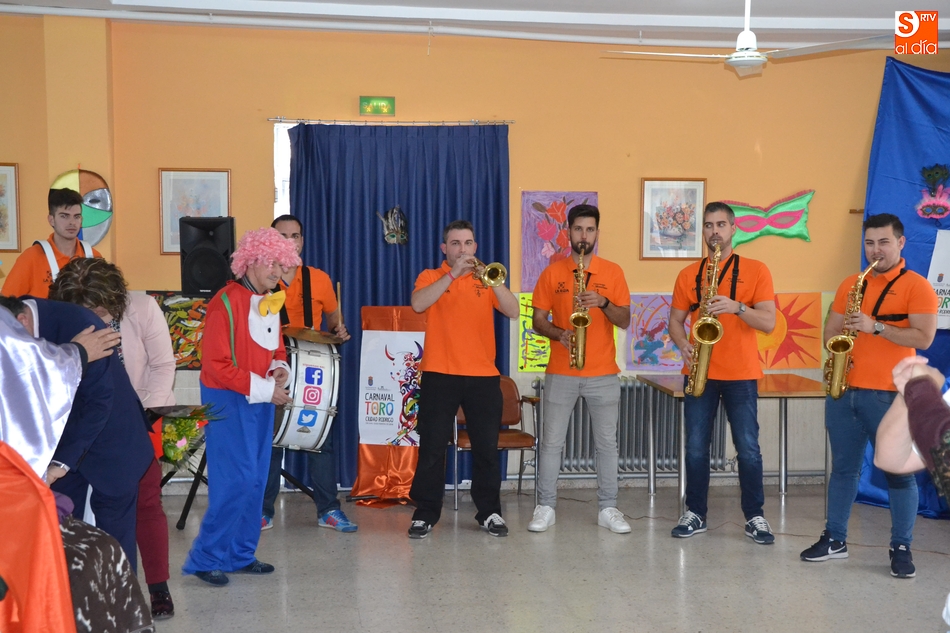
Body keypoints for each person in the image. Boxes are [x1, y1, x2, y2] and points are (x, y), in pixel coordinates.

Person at [800, 213, 938, 578]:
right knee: (843, 470)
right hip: (845, 390)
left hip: (890, 397)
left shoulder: (918, 286)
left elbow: (924, 338)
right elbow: (830, 334)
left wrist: (875, 327)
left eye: (883, 242)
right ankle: (835, 539)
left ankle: (901, 546)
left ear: (901, 243)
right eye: (869, 243)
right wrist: (841, 336)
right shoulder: (851, 284)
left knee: (898, 475)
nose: (875, 251)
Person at [50, 258, 178, 620]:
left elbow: (163, 366)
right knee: (68, 514)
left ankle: (155, 589)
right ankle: (75, 602)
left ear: (116, 300)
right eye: (84, 311)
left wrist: (146, 415)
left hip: (136, 423)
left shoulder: (143, 308)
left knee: (145, 504)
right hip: (79, 431)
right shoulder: (61, 324)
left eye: (100, 311)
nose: (92, 318)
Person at [0, 294, 154, 569]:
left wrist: (60, 463)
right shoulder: (15, 328)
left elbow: (98, 402)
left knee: (115, 545)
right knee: (62, 535)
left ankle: (121, 597)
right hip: (62, 444)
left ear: (21, 321)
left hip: (111, 443)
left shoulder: (81, 325)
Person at [182, 227, 298, 586]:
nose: (277, 271)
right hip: (227, 399)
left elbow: (277, 348)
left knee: (257, 479)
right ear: (250, 261)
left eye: (280, 263)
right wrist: (267, 389)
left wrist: (279, 369)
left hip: (260, 398)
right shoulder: (225, 302)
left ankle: (240, 554)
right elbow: (216, 366)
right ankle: (205, 558)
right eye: (270, 263)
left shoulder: (270, 300)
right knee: (236, 480)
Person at [668, 201, 777, 544]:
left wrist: (737, 307)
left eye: (720, 225)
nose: (714, 231)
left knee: (748, 449)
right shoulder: (688, 274)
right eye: (708, 225)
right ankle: (695, 513)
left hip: (741, 374)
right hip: (699, 370)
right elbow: (675, 321)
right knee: (696, 448)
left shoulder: (757, 270)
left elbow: (769, 322)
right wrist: (683, 344)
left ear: (733, 228)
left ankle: (755, 516)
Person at [407, 220, 519, 539]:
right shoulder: (431, 276)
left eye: (468, 243)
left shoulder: (486, 278)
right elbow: (418, 304)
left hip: (483, 376)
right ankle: (425, 513)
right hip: (439, 373)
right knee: (432, 448)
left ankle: (489, 512)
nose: (462, 249)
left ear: (475, 247)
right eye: (455, 243)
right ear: (444, 248)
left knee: (486, 448)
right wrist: (453, 274)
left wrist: (492, 281)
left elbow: (513, 310)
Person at [528, 204, 632, 534]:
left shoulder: (612, 272)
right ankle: (545, 506)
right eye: (578, 229)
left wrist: (603, 302)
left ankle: (608, 507)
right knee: (551, 443)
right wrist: (559, 333)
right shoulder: (552, 272)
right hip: (561, 370)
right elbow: (538, 320)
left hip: (603, 373)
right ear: (568, 232)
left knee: (607, 445)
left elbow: (625, 320)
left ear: (597, 233)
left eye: (589, 229)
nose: (583, 235)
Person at [261, 214, 355, 533]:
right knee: (272, 439)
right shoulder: (262, 279)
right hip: (274, 367)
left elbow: (334, 317)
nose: (291, 241)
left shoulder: (319, 279)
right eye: (283, 236)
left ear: (302, 240)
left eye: (296, 236)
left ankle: (328, 510)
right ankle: (263, 511)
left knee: (320, 439)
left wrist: (338, 328)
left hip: (314, 368)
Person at [1, 188, 102, 298]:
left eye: (76, 217)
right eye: (64, 216)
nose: (72, 222)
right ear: (51, 220)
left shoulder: (93, 257)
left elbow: (107, 300)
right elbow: (5, 302)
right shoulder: (31, 257)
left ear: (81, 220)